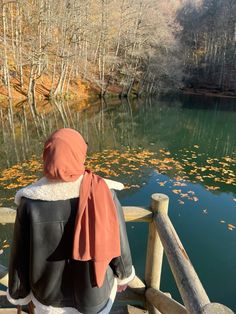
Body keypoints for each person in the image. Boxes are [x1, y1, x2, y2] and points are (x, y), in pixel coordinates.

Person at [7, 128, 135, 314]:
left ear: (47, 156)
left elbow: (20, 258)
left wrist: (19, 294)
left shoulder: (29, 203)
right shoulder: (103, 191)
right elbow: (119, 242)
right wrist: (123, 276)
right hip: (95, 296)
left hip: (48, 300)